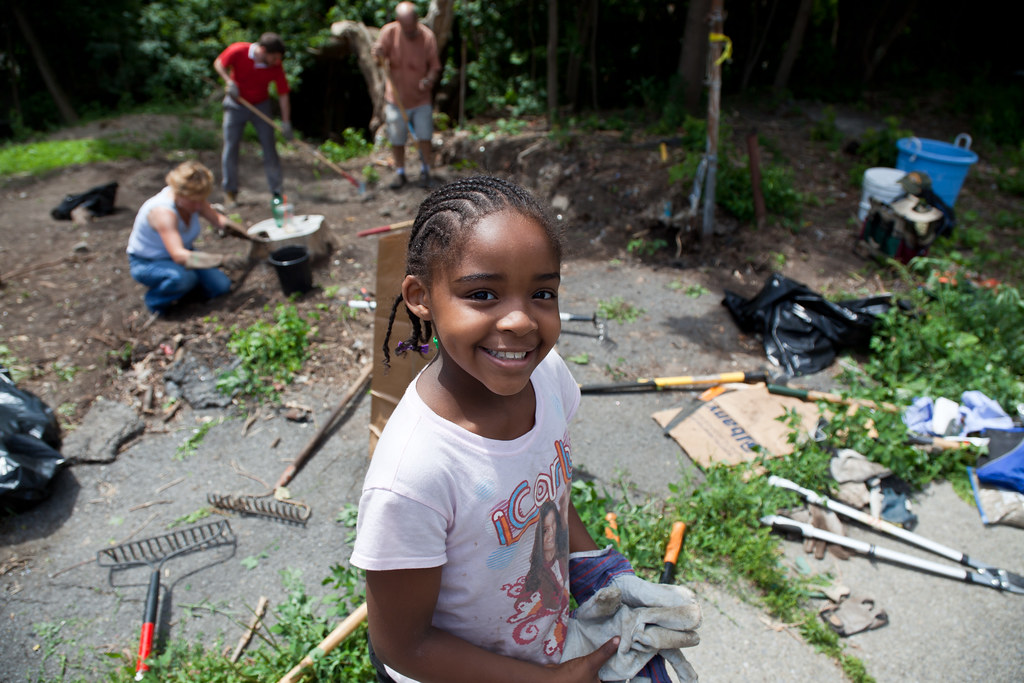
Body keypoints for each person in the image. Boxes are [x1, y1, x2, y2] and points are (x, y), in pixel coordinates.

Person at [350, 175, 619, 683]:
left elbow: (550, 493)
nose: (520, 320)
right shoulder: (414, 476)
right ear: (420, 296)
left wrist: (596, 567)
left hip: (541, 648)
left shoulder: (549, 376)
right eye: (483, 293)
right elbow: (403, 645)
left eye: (542, 292)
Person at [126, 160, 248, 315]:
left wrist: (248, 235)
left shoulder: (193, 199)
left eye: (201, 200)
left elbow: (219, 220)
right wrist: (221, 260)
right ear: (179, 194)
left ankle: (187, 293)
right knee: (183, 278)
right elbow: (178, 255)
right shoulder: (163, 212)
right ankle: (155, 302)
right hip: (149, 262)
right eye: (194, 202)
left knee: (221, 286)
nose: (199, 207)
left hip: (185, 254)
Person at [213, 32, 293, 206]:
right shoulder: (238, 50)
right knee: (231, 146)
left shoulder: (276, 66)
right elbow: (219, 63)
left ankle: (277, 192)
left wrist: (286, 122)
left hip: (261, 106)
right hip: (236, 103)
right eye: (273, 57)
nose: (275, 61)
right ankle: (230, 192)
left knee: (269, 148)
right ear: (263, 50)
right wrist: (229, 82)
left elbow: (283, 94)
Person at [372, 2, 441, 190]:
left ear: (417, 20)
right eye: (406, 27)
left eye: (412, 26)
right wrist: (378, 54)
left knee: (424, 135)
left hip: (420, 99)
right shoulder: (389, 33)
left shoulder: (427, 36)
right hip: (396, 99)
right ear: (399, 22)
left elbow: (435, 67)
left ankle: (426, 170)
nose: (410, 31)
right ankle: (400, 172)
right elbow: (379, 60)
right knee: (397, 137)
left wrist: (428, 80)